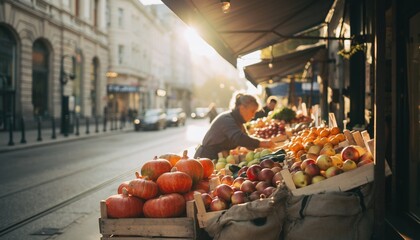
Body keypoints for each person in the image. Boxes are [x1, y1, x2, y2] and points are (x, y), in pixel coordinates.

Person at [194, 93, 275, 160]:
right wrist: (263, 143)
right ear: (242, 108)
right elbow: (239, 138)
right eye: (252, 111)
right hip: (205, 158)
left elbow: (248, 142)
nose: (253, 116)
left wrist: (265, 145)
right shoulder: (227, 119)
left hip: (218, 159)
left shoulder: (239, 123)